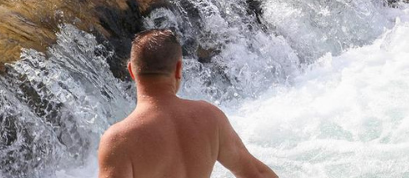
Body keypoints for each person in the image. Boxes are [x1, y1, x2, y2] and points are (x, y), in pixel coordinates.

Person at [97, 29, 278, 178]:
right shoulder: (211, 118)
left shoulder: (119, 139)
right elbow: (258, 174)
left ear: (131, 71)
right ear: (178, 68)